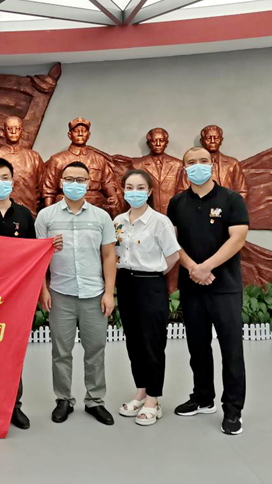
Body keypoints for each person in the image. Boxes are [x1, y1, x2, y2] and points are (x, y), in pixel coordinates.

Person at [167, 147, 249, 435]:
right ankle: (203, 398)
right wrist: (194, 268)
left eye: (203, 161)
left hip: (225, 287)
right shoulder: (177, 203)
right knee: (197, 346)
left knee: (231, 349)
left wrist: (207, 267)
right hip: (192, 287)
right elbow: (173, 242)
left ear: (212, 164)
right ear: (184, 168)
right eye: (191, 162)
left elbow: (237, 239)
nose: (197, 166)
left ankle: (233, 409)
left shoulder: (231, 199)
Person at [36, 161, 117, 426]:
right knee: (61, 351)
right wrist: (43, 290)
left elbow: (109, 256)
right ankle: (63, 399)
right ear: (61, 182)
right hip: (61, 293)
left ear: (88, 183)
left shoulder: (101, 217)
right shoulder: (46, 216)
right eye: (69, 179)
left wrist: (109, 293)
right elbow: (38, 258)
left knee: (96, 350)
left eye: (80, 180)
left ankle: (95, 400)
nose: (75, 184)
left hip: (94, 294)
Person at [0, 158, 44, 430]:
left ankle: (13, 406)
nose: (0, 183)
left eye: (5, 178)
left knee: (12, 352)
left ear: (12, 182)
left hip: (16, 295)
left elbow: (34, 254)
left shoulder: (24, 215)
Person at [113, 170, 180, 426]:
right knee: (134, 342)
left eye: (140, 187)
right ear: (123, 190)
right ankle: (140, 392)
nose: (134, 192)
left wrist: (154, 273)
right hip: (125, 283)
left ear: (149, 191)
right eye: (129, 187)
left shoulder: (160, 222)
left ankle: (153, 399)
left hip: (151, 285)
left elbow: (173, 255)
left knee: (152, 343)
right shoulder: (118, 221)